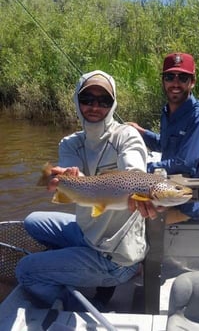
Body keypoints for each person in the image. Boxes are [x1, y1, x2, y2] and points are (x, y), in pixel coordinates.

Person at [16, 70, 149, 311]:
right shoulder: (69, 143)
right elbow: (65, 180)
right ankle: (70, 270)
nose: (95, 107)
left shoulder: (126, 136)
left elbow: (135, 169)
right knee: (31, 221)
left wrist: (138, 186)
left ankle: (75, 306)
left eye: (104, 101)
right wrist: (61, 179)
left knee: (24, 271)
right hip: (88, 234)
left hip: (116, 256)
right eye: (87, 99)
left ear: (113, 103)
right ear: (77, 102)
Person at [128, 52, 199, 223]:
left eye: (182, 78)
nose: (175, 83)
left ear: (192, 82)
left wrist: (141, 169)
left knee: (131, 219)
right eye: (169, 77)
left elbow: (185, 163)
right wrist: (142, 132)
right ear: (163, 81)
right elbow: (165, 144)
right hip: (164, 194)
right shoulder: (167, 111)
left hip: (185, 203)